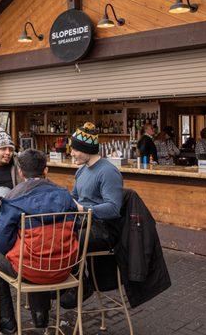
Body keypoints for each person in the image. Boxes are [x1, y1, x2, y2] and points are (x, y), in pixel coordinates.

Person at [0, 149, 79, 334]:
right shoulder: (65, 195)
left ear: (20, 172)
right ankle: (40, 315)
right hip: (64, 267)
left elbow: (2, 242)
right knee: (38, 250)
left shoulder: (13, 197)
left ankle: (4, 321)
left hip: (31, 271)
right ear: (46, 170)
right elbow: (75, 229)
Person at [60, 122, 124, 309]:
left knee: (68, 240)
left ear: (87, 149)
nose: (71, 153)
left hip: (104, 229)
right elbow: (76, 197)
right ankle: (67, 282)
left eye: (75, 150)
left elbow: (114, 208)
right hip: (84, 223)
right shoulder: (81, 170)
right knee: (53, 234)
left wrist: (83, 210)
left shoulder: (108, 172)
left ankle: (82, 284)